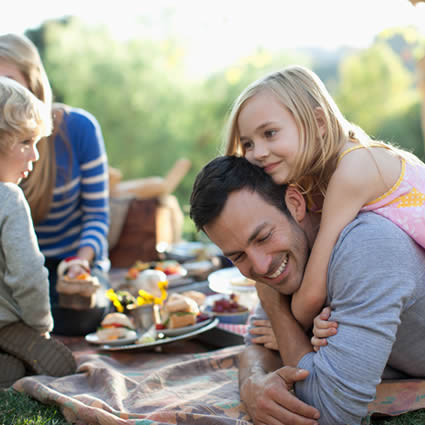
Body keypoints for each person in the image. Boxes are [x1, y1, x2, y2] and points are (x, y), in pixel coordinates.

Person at [190, 155, 425, 424]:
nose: (261, 265)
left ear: (295, 203)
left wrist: (277, 310)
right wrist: (254, 383)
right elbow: (257, 345)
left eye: (264, 237)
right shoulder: (289, 255)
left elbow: (328, 413)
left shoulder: (366, 247)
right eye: (238, 256)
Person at [224, 65, 425, 331]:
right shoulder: (310, 180)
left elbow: (311, 297)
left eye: (270, 133)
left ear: (318, 123)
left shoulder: (355, 168)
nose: (257, 153)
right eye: (248, 143)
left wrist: (284, 325)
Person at [0, 33, 111, 335]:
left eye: (9, 79)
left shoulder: (79, 128)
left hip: (72, 260)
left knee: (81, 315)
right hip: (16, 271)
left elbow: (97, 214)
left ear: (33, 83)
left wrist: (81, 262)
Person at [0, 77, 76, 388]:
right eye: (25, 142)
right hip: (8, 322)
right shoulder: (9, 198)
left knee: (15, 367)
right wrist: (40, 326)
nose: (35, 156)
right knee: (62, 364)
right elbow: (29, 274)